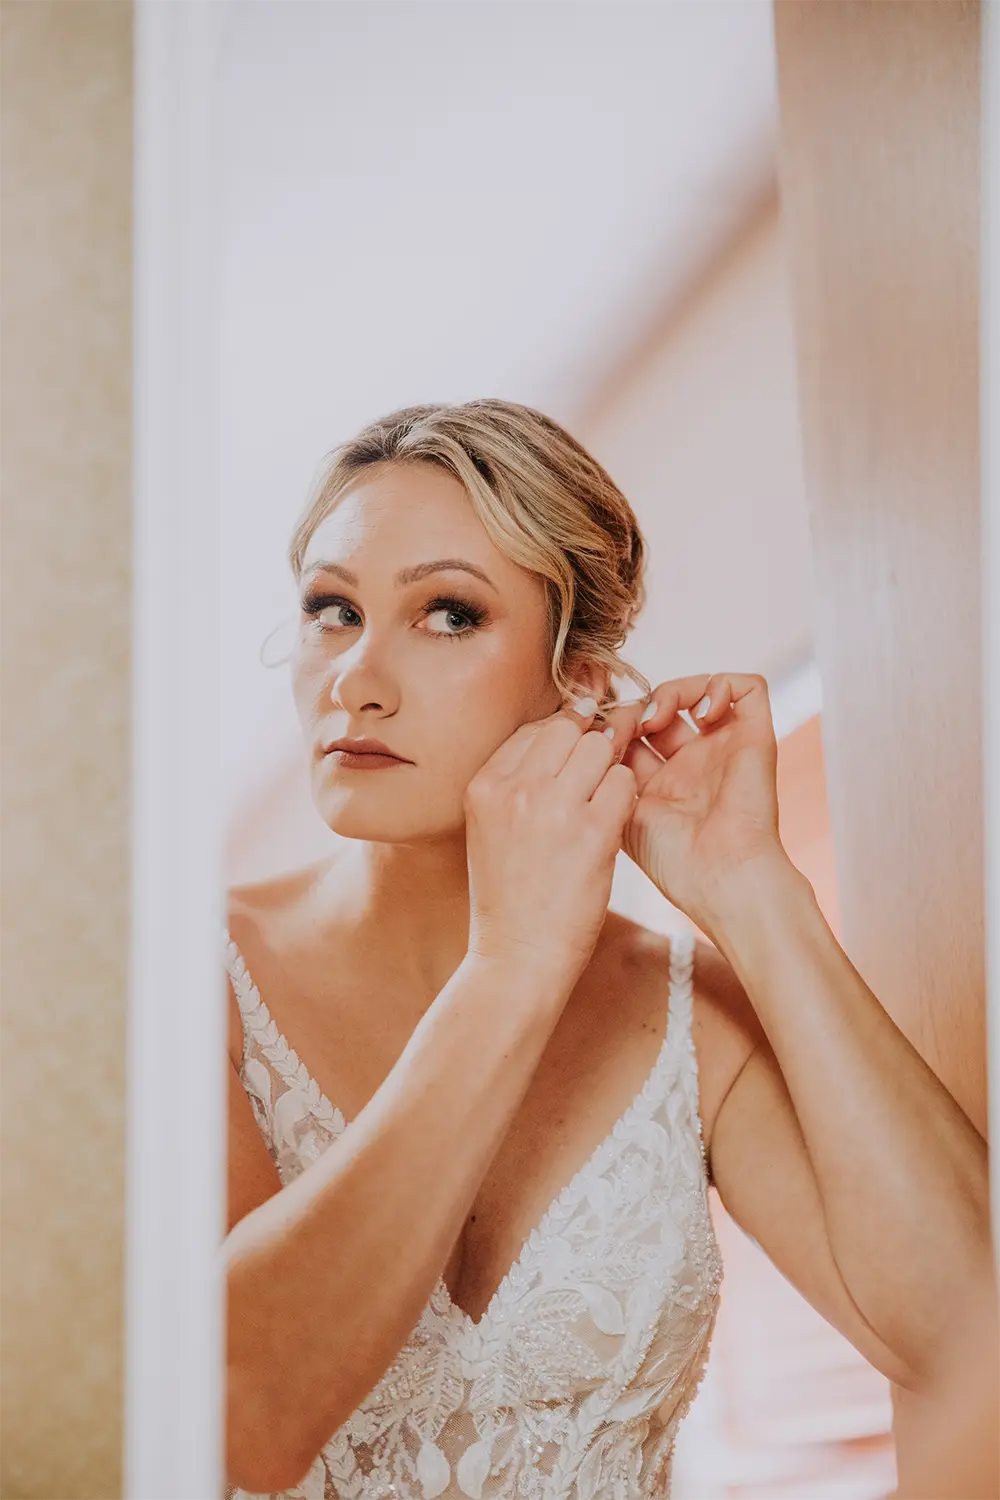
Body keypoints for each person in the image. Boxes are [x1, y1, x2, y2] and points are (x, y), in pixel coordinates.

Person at [222, 399, 992, 1500]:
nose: (355, 679)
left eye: (446, 614)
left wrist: (751, 888)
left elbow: (970, 1336)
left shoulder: (691, 1018)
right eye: (332, 611)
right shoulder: (189, 986)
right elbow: (243, 1417)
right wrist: (510, 970)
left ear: (580, 678)